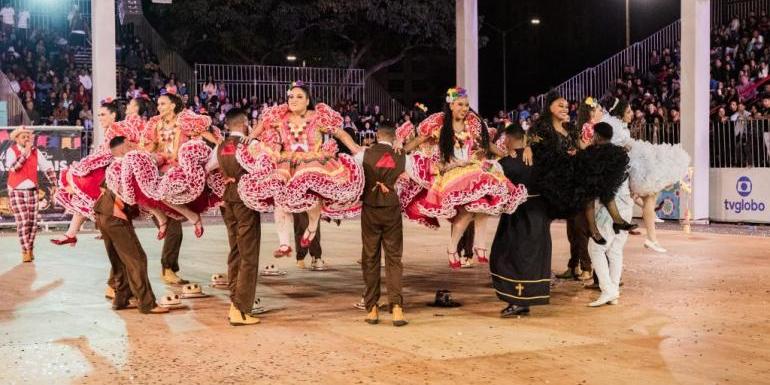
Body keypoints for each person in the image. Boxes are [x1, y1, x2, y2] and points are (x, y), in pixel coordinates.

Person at [402, 87, 527, 269]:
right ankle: (457, 247)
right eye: (460, 104)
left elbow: (487, 144)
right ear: (451, 105)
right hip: (450, 170)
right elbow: (418, 140)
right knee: (482, 189)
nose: (464, 108)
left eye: (467, 105)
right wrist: (399, 150)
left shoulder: (472, 124)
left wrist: (505, 153)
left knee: (485, 195)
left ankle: (472, 245)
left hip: (470, 167)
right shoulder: (439, 122)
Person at [243, 81, 362, 258]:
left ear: (307, 101)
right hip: (287, 163)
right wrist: (251, 136)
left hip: (313, 161)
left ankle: (312, 227)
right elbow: (264, 123)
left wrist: (356, 149)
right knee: (279, 200)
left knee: (312, 198)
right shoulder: (280, 116)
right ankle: (284, 244)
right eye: (291, 96)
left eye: (299, 97)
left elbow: (340, 133)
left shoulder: (317, 116)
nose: (293, 100)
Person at [53, 98, 147, 246]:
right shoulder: (114, 129)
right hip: (112, 172)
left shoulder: (116, 128)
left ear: (113, 115)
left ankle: (79, 232)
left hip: (117, 173)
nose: (99, 118)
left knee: (81, 184)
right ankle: (71, 233)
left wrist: (83, 166)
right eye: (98, 115)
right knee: (82, 195)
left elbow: (111, 154)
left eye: (103, 115)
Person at [603, 98, 690, 253]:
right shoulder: (615, 128)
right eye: (628, 111)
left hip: (630, 167)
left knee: (650, 196)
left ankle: (652, 238)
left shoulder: (621, 128)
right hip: (625, 170)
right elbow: (627, 147)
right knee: (649, 195)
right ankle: (650, 238)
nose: (631, 115)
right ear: (620, 113)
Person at [97, 136, 168, 314]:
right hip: (115, 216)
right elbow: (138, 196)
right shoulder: (126, 166)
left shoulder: (112, 166)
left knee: (119, 260)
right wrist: (161, 217)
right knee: (137, 258)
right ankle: (147, 303)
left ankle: (121, 299)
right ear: (121, 150)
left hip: (103, 214)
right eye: (130, 145)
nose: (134, 147)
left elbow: (103, 189)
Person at [490, 123, 551, 317]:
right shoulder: (540, 160)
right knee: (531, 257)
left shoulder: (505, 164)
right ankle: (525, 300)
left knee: (507, 255)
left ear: (507, 139)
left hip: (517, 215)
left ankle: (517, 301)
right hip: (539, 213)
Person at [356, 123, 407, 326]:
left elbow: (351, 175)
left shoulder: (364, 155)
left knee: (370, 257)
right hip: (392, 209)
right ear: (393, 138)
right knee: (394, 258)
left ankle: (372, 308)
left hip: (370, 208)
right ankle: (396, 308)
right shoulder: (402, 155)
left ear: (377, 136)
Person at [216, 109, 262, 325]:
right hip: (245, 199)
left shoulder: (220, 146)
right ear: (245, 123)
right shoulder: (248, 145)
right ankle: (241, 308)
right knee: (248, 254)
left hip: (228, 199)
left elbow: (208, 168)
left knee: (235, 250)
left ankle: (234, 299)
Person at [586, 123, 632, 307]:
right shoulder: (621, 154)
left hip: (610, 209)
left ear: (596, 136)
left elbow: (603, 190)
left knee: (595, 248)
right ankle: (613, 291)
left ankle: (608, 290)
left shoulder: (596, 156)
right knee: (615, 250)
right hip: (627, 206)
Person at [5, 127, 56, 262]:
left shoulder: (35, 151)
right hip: (16, 191)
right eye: (23, 137)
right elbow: (14, 167)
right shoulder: (11, 151)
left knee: (33, 223)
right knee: (23, 222)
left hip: (32, 191)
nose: (27, 139)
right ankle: (25, 250)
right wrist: (25, 154)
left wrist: (54, 183)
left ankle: (30, 249)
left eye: (28, 137)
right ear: (16, 138)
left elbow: (47, 167)